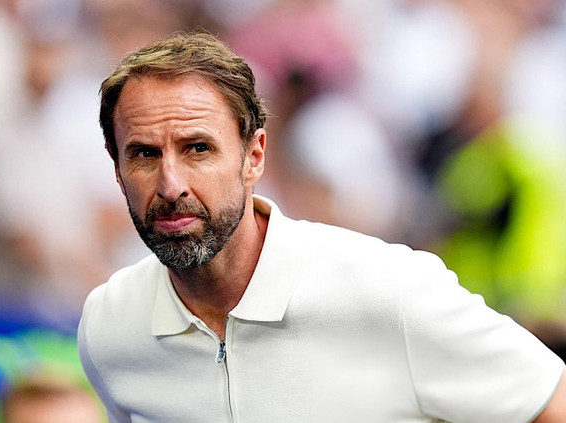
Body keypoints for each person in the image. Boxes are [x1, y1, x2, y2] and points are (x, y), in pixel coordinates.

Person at [77, 32, 566, 422]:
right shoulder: (109, 326)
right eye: (144, 154)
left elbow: (550, 402)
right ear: (117, 170)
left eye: (198, 148)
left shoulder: (389, 289)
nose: (170, 184)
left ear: (254, 156)